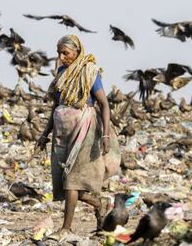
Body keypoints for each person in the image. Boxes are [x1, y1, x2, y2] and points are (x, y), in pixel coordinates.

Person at [35, 34, 120, 238]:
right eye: (59, 53)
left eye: (66, 53)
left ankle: (67, 228)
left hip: (85, 129)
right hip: (62, 131)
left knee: (72, 180)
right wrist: (44, 134)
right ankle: (99, 203)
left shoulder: (89, 71)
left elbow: (104, 104)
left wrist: (105, 135)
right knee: (65, 182)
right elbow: (56, 106)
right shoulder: (62, 73)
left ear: (77, 51)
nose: (62, 57)